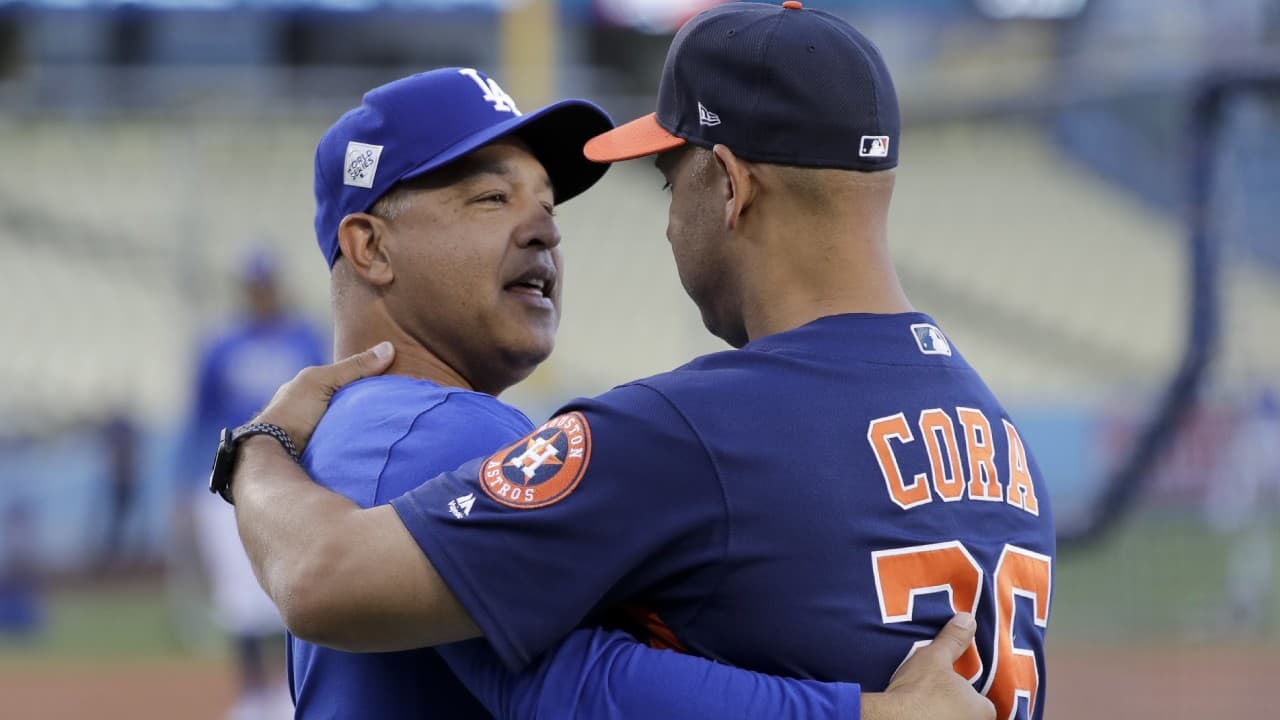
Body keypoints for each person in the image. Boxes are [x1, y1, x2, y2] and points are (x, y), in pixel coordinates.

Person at [232, 2, 1052, 717]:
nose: (547, 231)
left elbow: (550, 681)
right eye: (491, 197)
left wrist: (253, 450)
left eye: (669, 180)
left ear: (729, 185)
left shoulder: (688, 431)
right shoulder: (1005, 445)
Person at [175, 247, 326, 720]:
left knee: (294, 587)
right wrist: (183, 485)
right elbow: (198, 420)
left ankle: (289, 694)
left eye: (266, 283)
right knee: (238, 594)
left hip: (292, 479)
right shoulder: (220, 346)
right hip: (228, 481)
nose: (260, 293)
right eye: (253, 284)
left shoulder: (306, 340)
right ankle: (252, 699)